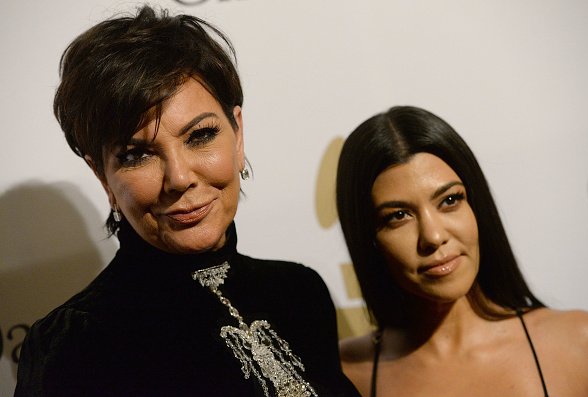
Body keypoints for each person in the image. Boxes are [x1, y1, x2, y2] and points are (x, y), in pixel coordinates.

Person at [15, 6, 359, 397]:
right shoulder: (77, 343)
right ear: (102, 176)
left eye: (200, 136)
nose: (179, 178)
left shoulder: (300, 293)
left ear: (238, 132)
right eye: (137, 154)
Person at [335, 106, 588, 397]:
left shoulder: (581, 345)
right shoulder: (346, 376)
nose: (433, 236)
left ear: (476, 206)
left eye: (449, 200)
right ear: (368, 237)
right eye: (398, 216)